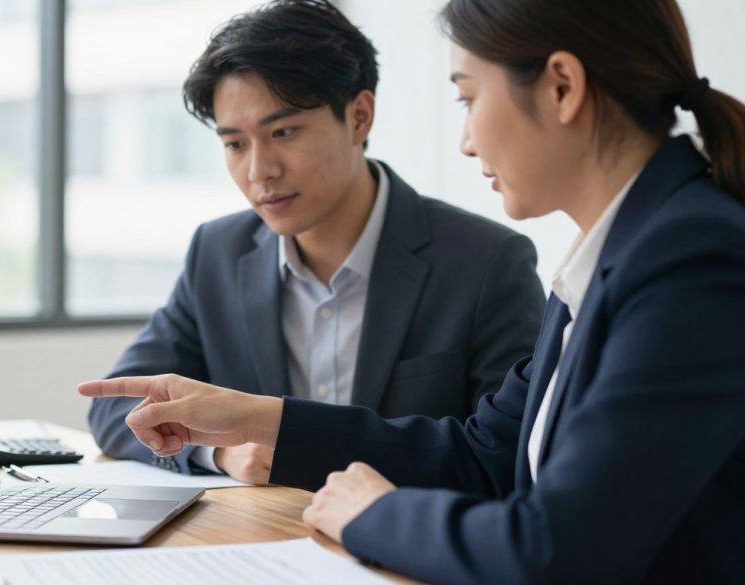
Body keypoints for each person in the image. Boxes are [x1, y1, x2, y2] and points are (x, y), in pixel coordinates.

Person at [78, 0, 745, 582]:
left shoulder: (690, 258)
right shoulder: (616, 255)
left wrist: (377, 513)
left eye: (467, 97)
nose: (463, 139)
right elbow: (484, 454)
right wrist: (259, 420)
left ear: (562, 87)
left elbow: (559, 546)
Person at [88, 0, 545, 484]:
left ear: (360, 117)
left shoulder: (485, 261)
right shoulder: (218, 253)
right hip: (264, 539)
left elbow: (514, 455)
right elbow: (119, 403)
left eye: (282, 132)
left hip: (407, 544)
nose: (260, 170)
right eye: (235, 144)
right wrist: (222, 454)